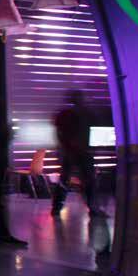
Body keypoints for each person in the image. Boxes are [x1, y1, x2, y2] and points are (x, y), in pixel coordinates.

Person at [51, 89, 106, 217]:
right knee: (88, 180)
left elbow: (59, 133)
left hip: (71, 152)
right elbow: (93, 131)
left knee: (65, 180)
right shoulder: (86, 113)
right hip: (81, 152)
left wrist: (64, 147)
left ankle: (57, 208)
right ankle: (93, 209)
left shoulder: (65, 114)